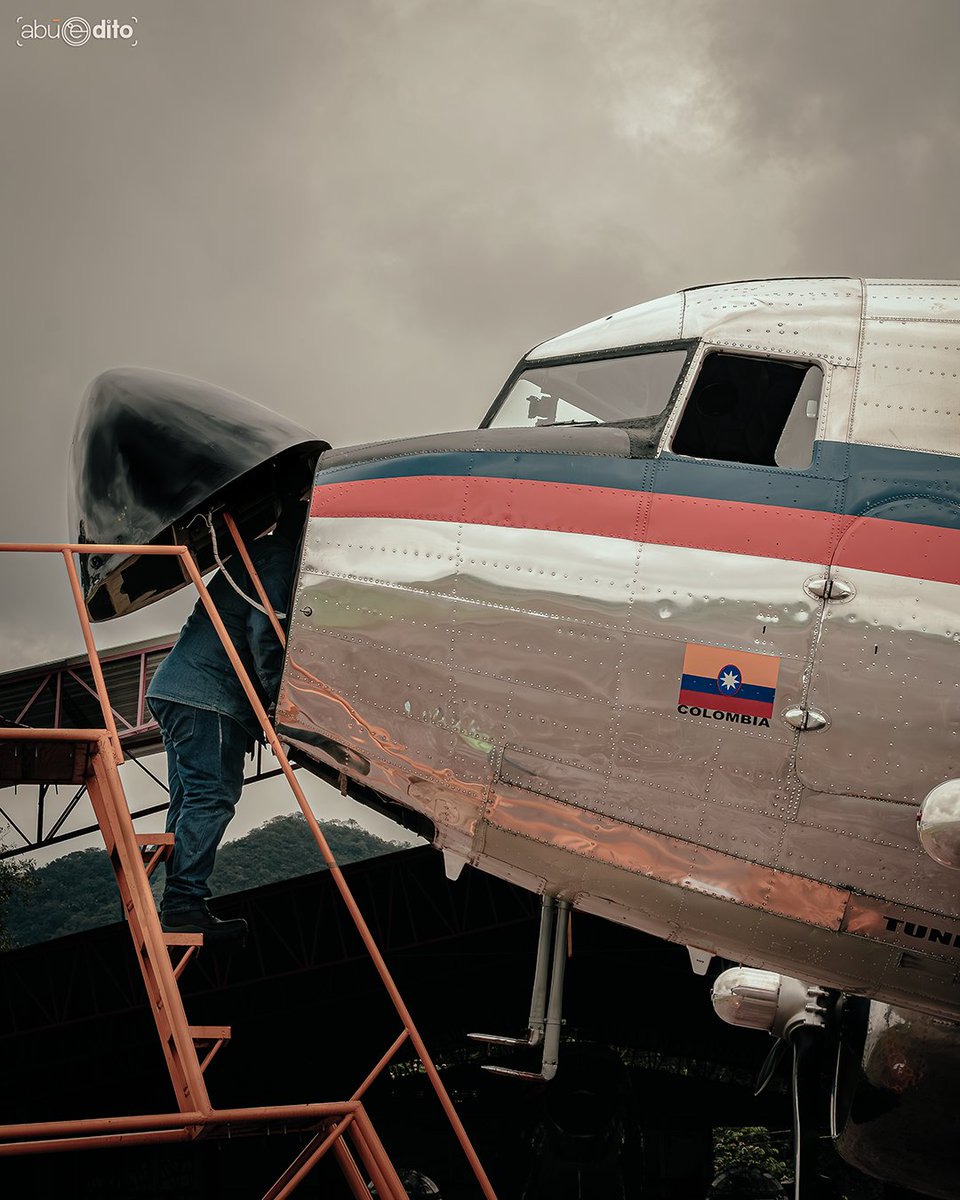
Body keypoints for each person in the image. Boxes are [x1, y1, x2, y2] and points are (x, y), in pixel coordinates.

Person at [147, 493, 307, 939]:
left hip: (177, 689)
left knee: (187, 800)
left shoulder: (255, 555)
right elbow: (267, 639)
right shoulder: (277, 563)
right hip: (206, 696)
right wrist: (279, 708)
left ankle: (178, 899)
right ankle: (182, 901)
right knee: (211, 798)